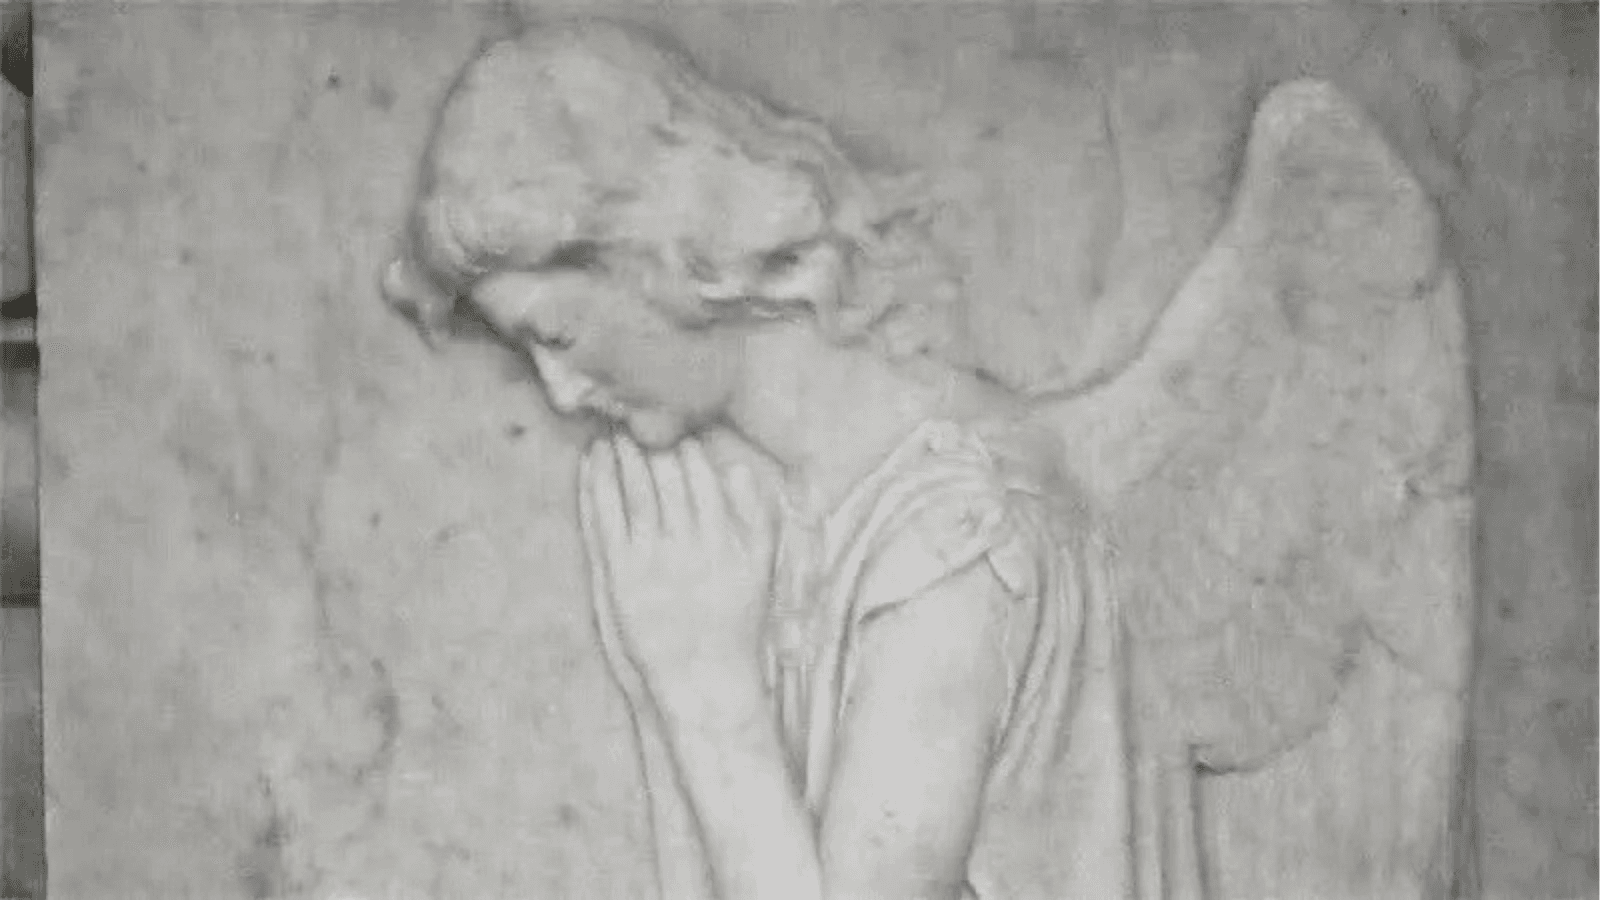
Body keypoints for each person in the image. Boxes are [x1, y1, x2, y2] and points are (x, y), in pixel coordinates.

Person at [384, 21, 1137, 900]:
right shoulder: (747, 519)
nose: (558, 392)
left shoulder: (958, 540)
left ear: (660, 259)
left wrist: (705, 690)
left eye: (556, 334)